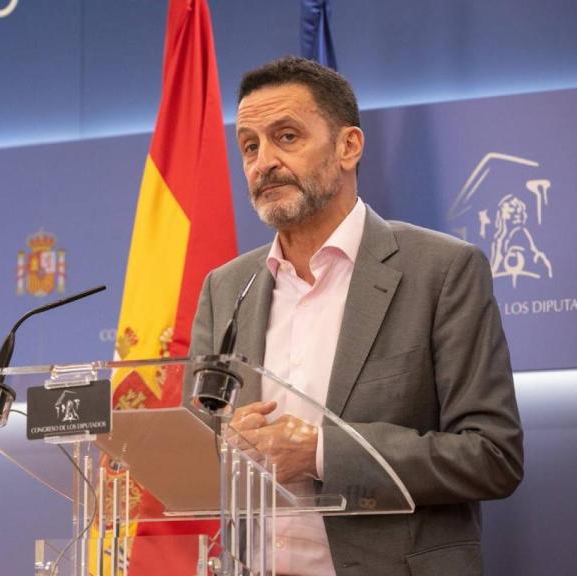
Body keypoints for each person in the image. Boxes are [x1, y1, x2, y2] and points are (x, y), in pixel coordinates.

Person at [187, 57, 523, 575]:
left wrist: (320, 451)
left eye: (288, 137)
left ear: (349, 146)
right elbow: (202, 440)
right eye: (250, 146)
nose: (264, 162)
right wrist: (224, 444)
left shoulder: (442, 270)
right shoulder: (226, 286)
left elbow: (490, 456)